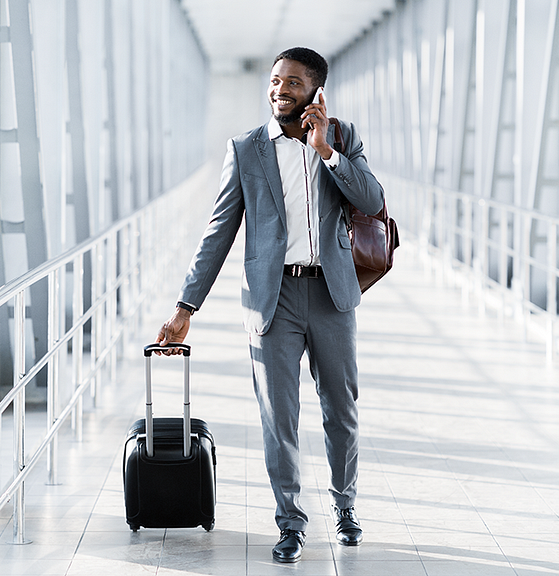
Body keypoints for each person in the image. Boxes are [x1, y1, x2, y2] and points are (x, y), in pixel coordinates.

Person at [155, 46, 384, 563]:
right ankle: (290, 523)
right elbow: (218, 233)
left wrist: (327, 151)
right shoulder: (246, 149)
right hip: (271, 300)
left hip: (331, 295)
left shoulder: (343, 137)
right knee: (278, 418)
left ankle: (345, 508)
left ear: (316, 91)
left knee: (341, 412)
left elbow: (370, 199)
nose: (281, 89)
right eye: (276, 80)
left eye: (294, 82)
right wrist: (185, 306)